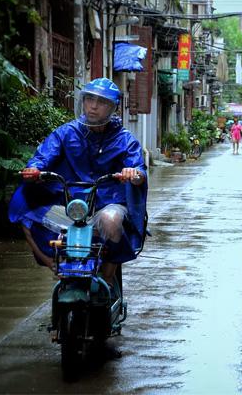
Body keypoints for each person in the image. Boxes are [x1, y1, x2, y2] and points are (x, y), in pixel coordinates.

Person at [8, 77, 148, 288]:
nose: (93, 106)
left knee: (111, 220)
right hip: (70, 203)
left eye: (101, 102)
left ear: (112, 108)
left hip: (107, 204)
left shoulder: (125, 139)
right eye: (89, 99)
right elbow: (43, 155)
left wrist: (133, 174)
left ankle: (108, 279)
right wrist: (34, 169)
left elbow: (139, 170)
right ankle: (52, 264)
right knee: (23, 208)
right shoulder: (66, 132)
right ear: (82, 101)